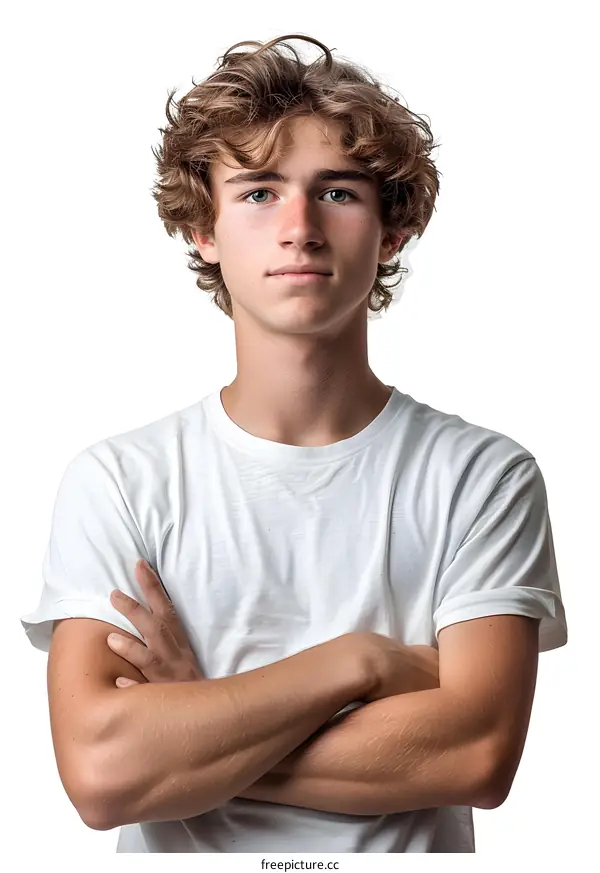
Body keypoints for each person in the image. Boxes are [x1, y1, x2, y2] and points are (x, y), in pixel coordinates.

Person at [20, 33, 567, 853]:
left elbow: (479, 754)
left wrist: (197, 718)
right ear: (203, 228)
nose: (299, 227)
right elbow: (102, 775)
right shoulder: (121, 482)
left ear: (391, 231)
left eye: (338, 193)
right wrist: (361, 663)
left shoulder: (481, 476)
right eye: (259, 192)